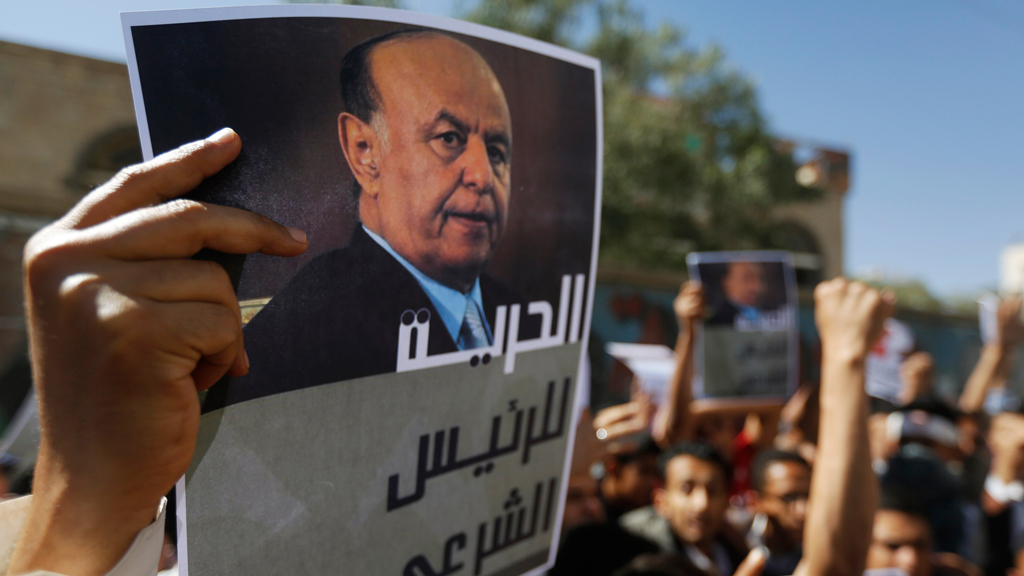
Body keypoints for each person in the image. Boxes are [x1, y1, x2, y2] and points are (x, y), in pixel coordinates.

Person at [222, 29, 529, 408]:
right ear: (365, 152)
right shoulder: (304, 337)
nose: (483, 176)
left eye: (497, 151)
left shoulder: (526, 317)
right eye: (449, 138)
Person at [746, 449, 810, 576]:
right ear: (757, 502)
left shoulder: (825, 550)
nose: (804, 510)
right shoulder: (734, 545)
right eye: (788, 498)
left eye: (808, 496)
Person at [707, 262, 767, 327]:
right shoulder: (717, 320)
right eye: (747, 279)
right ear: (727, 282)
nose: (757, 287)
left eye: (761, 279)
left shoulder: (767, 312)